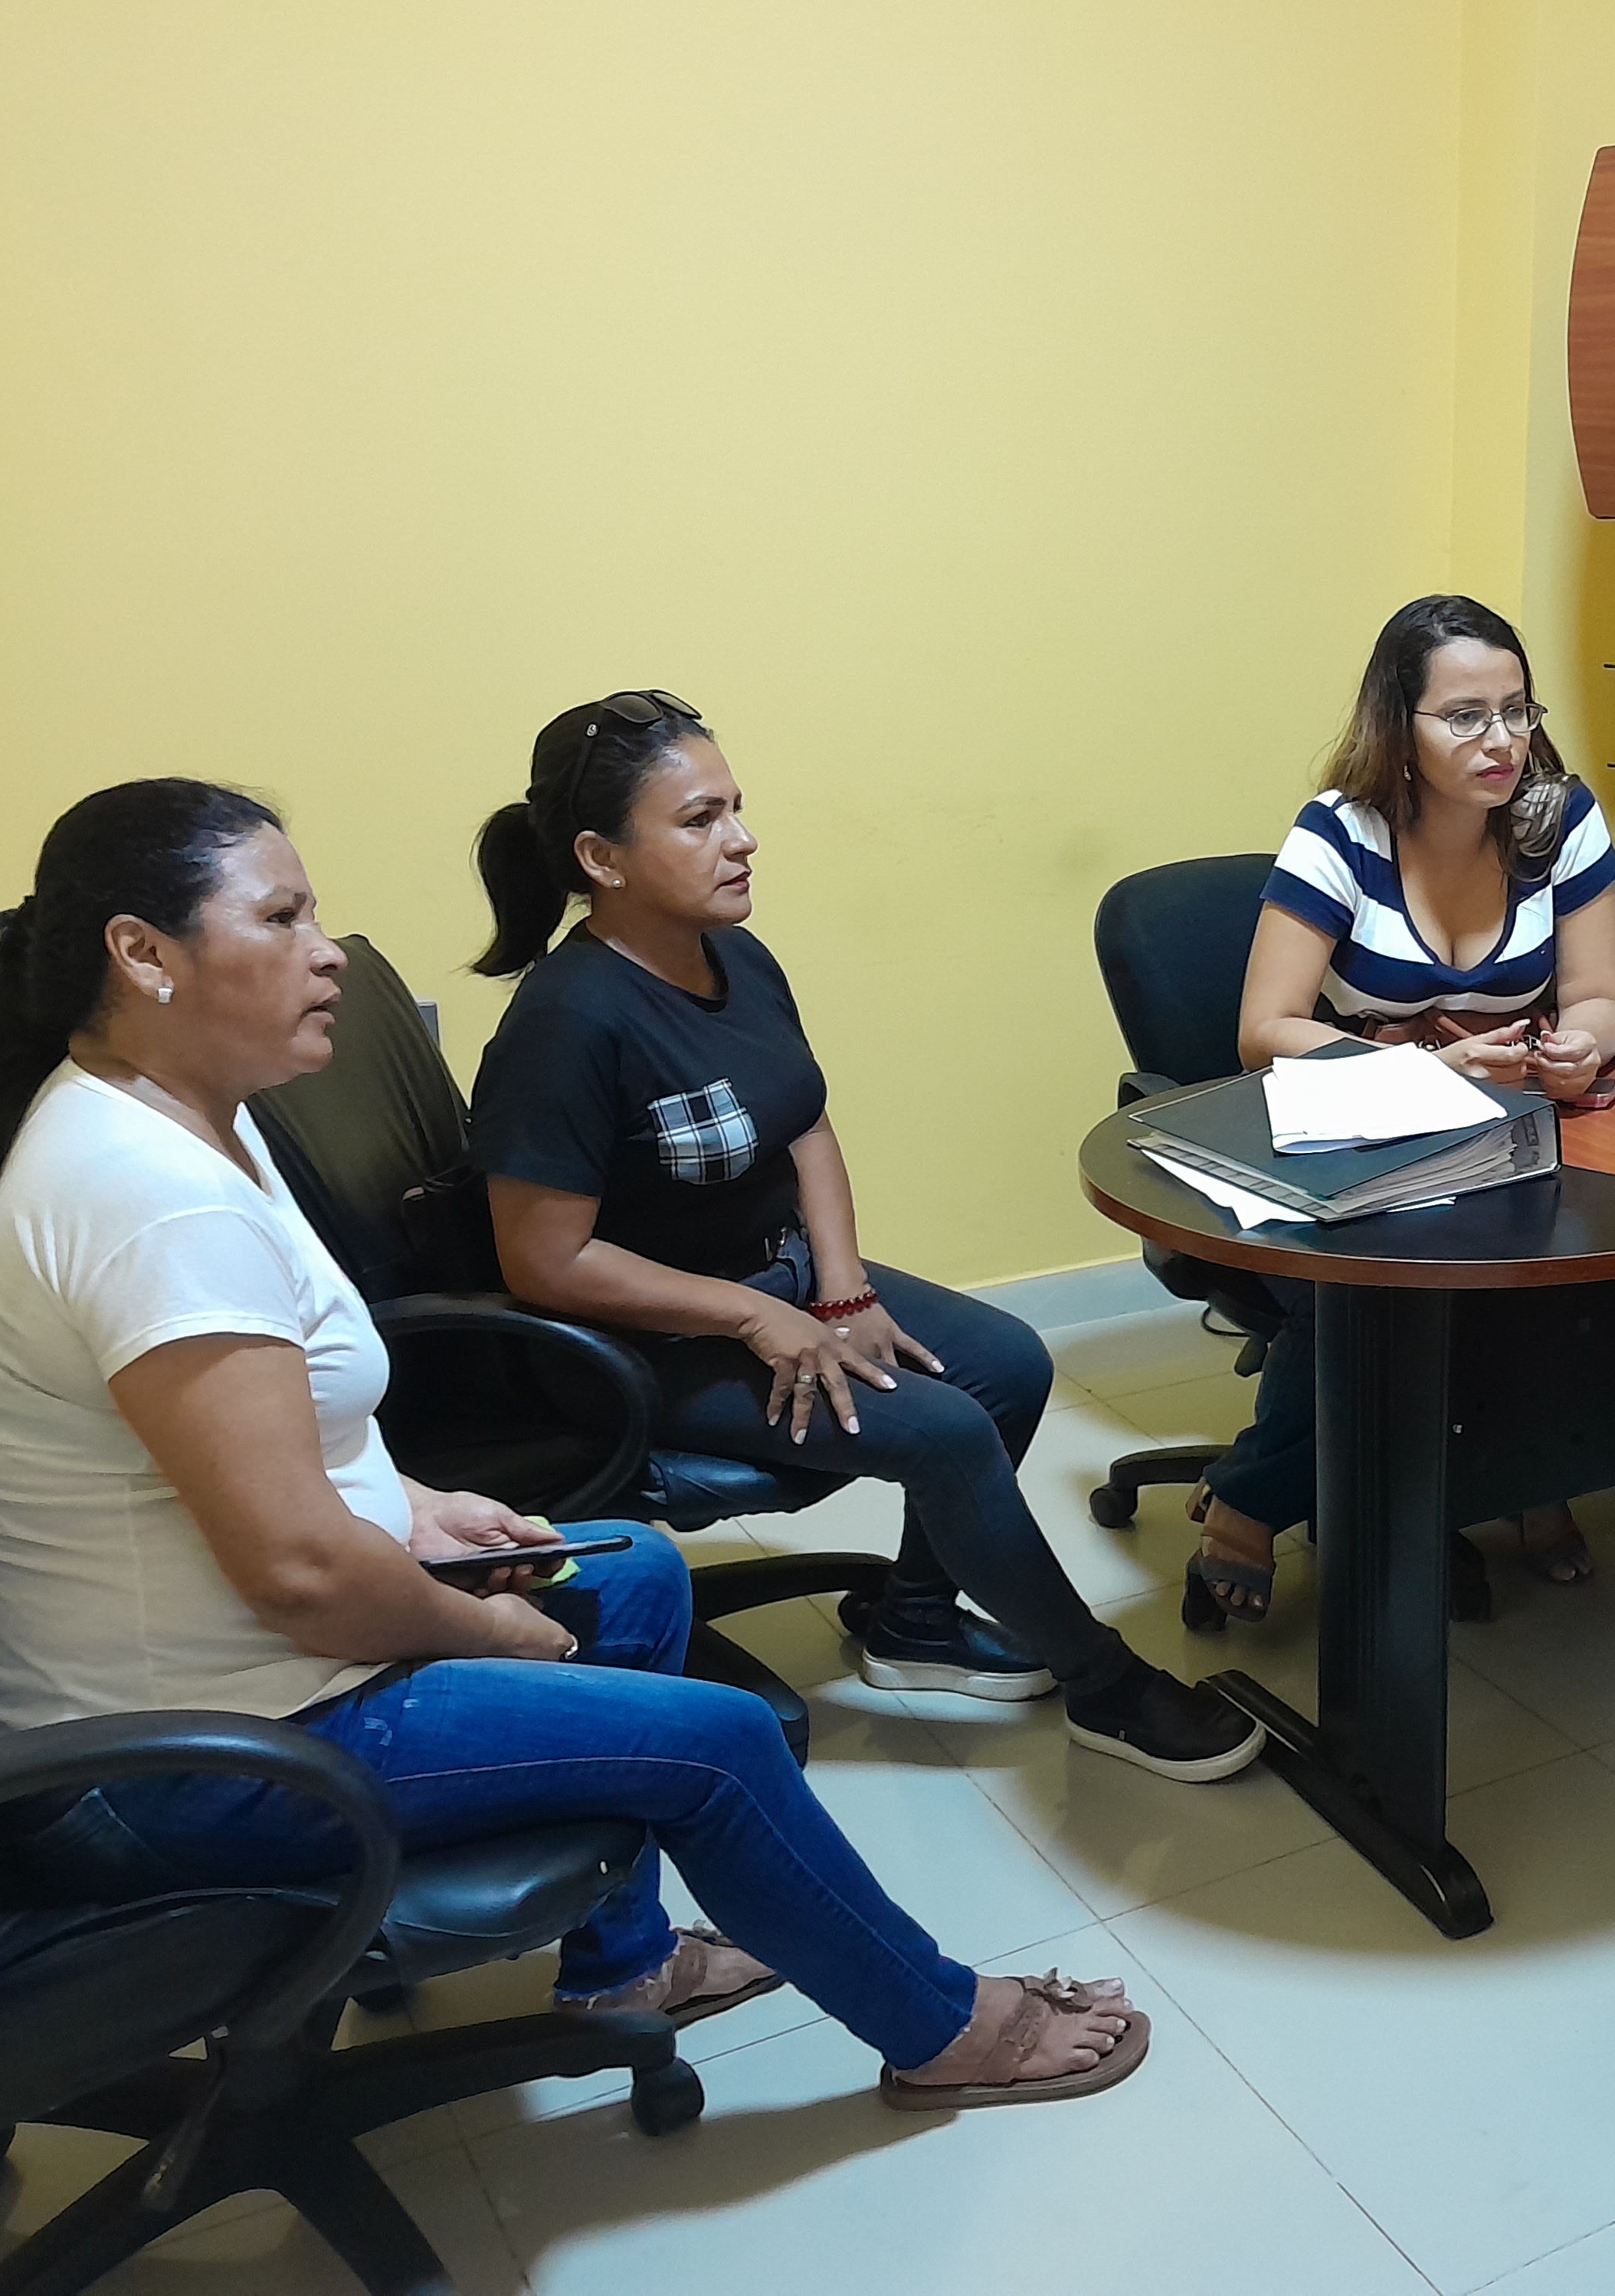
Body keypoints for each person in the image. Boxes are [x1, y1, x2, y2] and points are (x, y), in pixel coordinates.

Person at [0, 779, 1143, 2108]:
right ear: (142, 953)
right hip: (172, 1767)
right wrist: (491, 1631)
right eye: (281, 919)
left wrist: (415, 1504)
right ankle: (943, 2029)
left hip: (229, 1679)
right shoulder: (148, 1200)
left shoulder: (186, 1120)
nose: (329, 953)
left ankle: (623, 1968)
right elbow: (301, 1574)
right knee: (720, 1741)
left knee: (638, 1573)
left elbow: (271, 1443)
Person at [464, 692, 1260, 1782]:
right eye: (699, 820)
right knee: (944, 1430)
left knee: (1010, 1364)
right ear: (601, 858)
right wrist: (757, 1319)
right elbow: (544, 1261)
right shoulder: (568, 1022)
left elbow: (806, 1123)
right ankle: (1106, 1687)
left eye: (735, 808)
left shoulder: (733, 955)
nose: (742, 840)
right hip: (647, 1341)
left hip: (779, 1284)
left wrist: (840, 1290)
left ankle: (915, 1620)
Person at [1189, 594, 1615, 1629]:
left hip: (1508, 1136)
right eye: (1465, 717)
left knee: (1569, 1269)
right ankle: (1255, 1496)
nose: (1501, 742)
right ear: (1400, 723)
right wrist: (1432, 1067)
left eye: (1517, 710)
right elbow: (1265, 1031)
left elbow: (1600, 995)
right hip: (1355, 1139)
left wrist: (1582, 1047)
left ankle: (1523, 1471)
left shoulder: (1560, 821)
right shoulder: (1341, 833)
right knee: (1367, 1296)